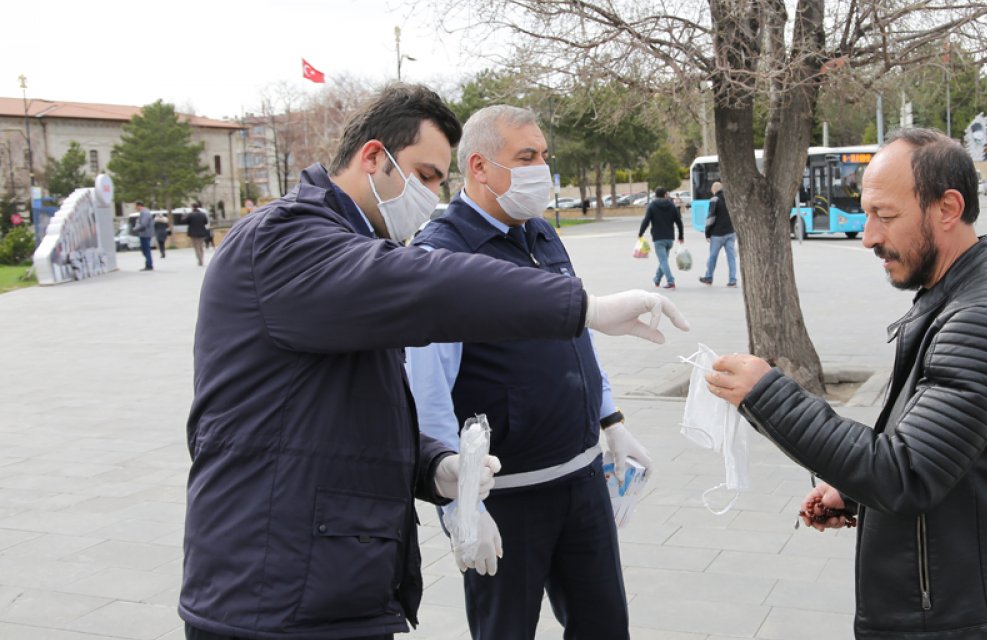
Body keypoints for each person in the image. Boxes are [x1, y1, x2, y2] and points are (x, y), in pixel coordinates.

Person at [181, 84, 688, 640]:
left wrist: (434, 468)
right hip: (269, 588)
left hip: (328, 576)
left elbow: (354, 411)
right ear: (374, 157)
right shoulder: (285, 237)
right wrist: (584, 307)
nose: (430, 194)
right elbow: (429, 288)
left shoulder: (354, 249)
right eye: (422, 176)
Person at [705, 128, 987, 640]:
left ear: (947, 208)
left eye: (886, 216)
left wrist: (768, 394)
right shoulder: (954, 297)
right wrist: (855, 493)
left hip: (963, 617)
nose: (869, 236)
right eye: (867, 213)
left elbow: (907, 473)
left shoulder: (981, 318)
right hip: (955, 602)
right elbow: (944, 452)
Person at [407, 104, 647, 640]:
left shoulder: (539, 233)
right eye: (527, 156)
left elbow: (577, 328)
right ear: (480, 167)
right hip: (508, 500)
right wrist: (459, 505)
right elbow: (427, 393)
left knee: (605, 626)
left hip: (581, 482)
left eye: (544, 155)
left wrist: (611, 419)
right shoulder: (441, 255)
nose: (543, 168)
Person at [638, 187, 684, 288]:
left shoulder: (652, 206)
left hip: (658, 238)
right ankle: (657, 279)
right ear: (665, 195)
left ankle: (670, 281)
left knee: (663, 261)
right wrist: (681, 236)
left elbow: (646, 221)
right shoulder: (672, 205)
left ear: (655, 195)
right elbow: (679, 222)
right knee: (664, 260)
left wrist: (640, 233)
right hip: (669, 238)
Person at [698, 181, 737, 287]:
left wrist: (707, 233)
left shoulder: (714, 200)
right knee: (731, 257)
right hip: (731, 232)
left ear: (714, 190)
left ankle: (709, 277)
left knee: (712, 257)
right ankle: (733, 280)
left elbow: (711, 218)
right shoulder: (731, 199)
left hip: (717, 234)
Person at [132, 201, 155, 271]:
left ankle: (149, 265)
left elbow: (143, 224)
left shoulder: (145, 213)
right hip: (144, 233)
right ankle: (148, 264)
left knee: (146, 250)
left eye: (135, 206)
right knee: (145, 250)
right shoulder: (144, 212)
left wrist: (135, 229)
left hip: (145, 234)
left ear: (139, 206)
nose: (135, 208)